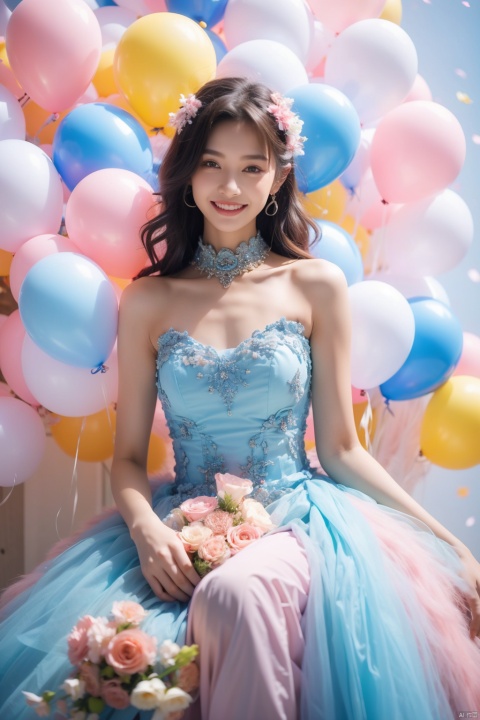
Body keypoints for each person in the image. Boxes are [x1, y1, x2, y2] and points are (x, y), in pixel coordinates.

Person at [1, 76, 479, 720]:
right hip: (179, 520)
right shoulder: (148, 299)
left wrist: (449, 545)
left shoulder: (317, 286)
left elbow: (341, 450)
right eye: (213, 165)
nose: (230, 188)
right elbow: (129, 458)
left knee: (235, 597)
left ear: (278, 176)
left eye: (252, 167)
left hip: (296, 518)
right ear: (189, 173)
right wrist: (146, 531)